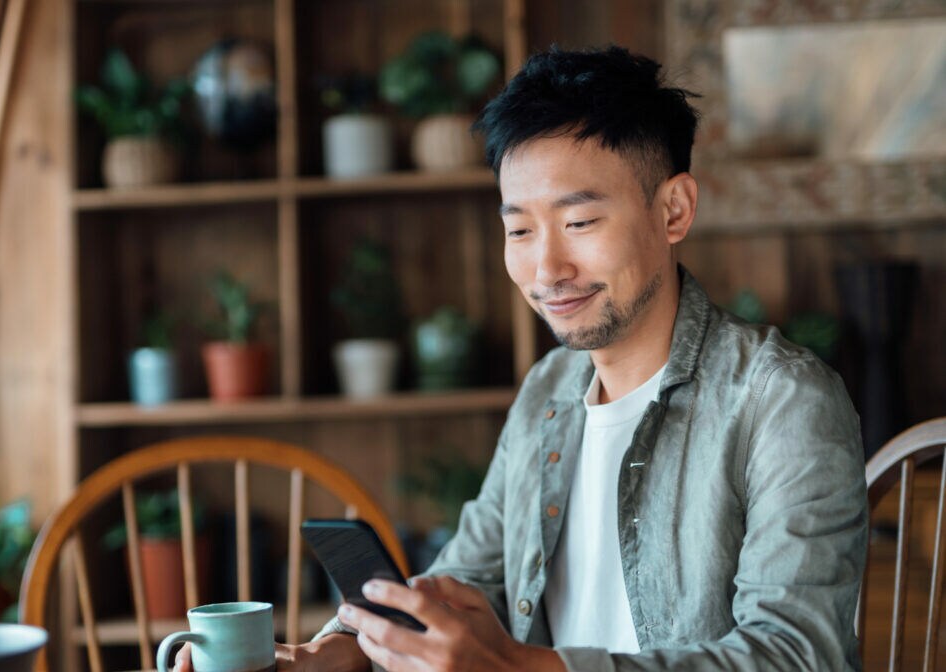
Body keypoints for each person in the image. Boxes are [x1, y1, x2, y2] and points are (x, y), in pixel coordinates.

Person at [176, 44, 868, 672]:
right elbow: (467, 579)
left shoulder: (783, 400)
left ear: (674, 210)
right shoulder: (550, 389)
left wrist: (515, 668)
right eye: (519, 230)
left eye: (579, 222)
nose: (546, 270)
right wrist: (337, 654)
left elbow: (797, 654)